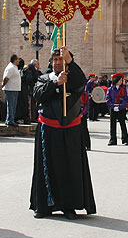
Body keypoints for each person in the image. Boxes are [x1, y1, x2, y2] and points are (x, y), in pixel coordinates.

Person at [30, 46, 96, 219]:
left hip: (70, 129)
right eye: (56, 60)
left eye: (62, 60)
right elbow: (38, 95)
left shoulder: (72, 78)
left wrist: (70, 61)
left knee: (70, 168)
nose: (58, 63)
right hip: (48, 130)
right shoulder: (44, 78)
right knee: (46, 167)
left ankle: (69, 206)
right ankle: (43, 206)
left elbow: (81, 82)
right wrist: (55, 83)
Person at [105, 72, 128, 146]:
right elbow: (108, 99)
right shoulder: (110, 89)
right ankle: (112, 139)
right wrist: (113, 106)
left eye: (121, 80)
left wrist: (120, 107)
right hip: (113, 108)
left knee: (122, 124)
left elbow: (125, 99)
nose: (121, 82)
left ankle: (125, 139)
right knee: (112, 124)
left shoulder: (123, 89)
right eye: (120, 80)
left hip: (120, 108)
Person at [2, 54, 21, 127]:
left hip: (14, 88)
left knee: (13, 105)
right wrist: (3, 84)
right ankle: (10, 120)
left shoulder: (14, 67)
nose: (19, 61)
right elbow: (6, 78)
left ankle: (11, 119)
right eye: (18, 59)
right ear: (15, 60)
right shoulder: (11, 68)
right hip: (10, 89)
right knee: (11, 105)